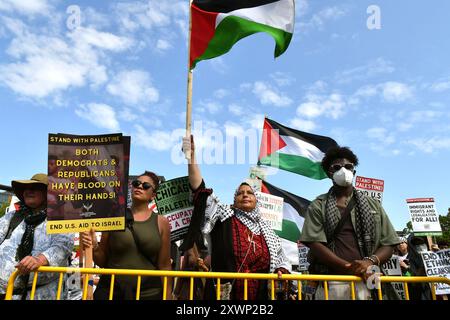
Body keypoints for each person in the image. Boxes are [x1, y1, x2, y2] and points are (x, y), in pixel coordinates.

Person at [183, 135, 291, 300]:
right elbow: (199, 189)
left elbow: (281, 259)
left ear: (256, 200)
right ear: (234, 200)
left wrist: (281, 270)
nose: (245, 195)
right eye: (240, 193)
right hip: (224, 294)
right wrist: (192, 158)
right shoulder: (222, 216)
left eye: (249, 193)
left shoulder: (267, 230)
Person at [300, 146, 399, 300]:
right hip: (331, 281)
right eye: (337, 167)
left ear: (354, 171)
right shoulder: (318, 205)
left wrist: (368, 262)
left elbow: (389, 243)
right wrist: (349, 267)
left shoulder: (373, 205)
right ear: (329, 173)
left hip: (368, 280)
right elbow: (315, 244)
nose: (343, 170)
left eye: (348, 166)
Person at [80, 171, 172, 300]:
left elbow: (165, 265)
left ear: (153, 195)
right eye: (136, 183)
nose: (139, 187)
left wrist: (168, 296)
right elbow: (102, 261)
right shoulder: (114, 217)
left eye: (146, 186)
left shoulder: (162, 223)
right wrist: (94, 246)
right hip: (112, 291)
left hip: (148, 294)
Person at [0, 173, 73, 300]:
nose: (28, 191)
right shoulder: (12, 217)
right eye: (26, 189)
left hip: (41, 295)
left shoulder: (60, 218)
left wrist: (39, 260)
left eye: (35, 188)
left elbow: (63, 245)